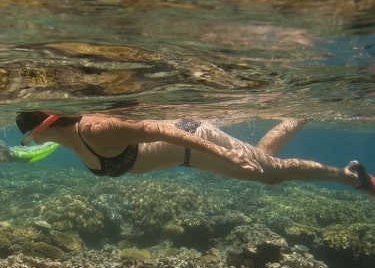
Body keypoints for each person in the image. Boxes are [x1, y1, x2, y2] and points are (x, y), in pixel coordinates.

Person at [13, 110, 375, 195]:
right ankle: (297, 115)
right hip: (188, 155)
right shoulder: (67, 139)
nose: (31, 144)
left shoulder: (95, 128)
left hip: (192, 141)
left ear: (43, 127)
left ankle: (350, 174)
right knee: (265, 159)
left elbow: (158, 130)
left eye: (29, 138)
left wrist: (224, 154)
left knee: (271, 173)